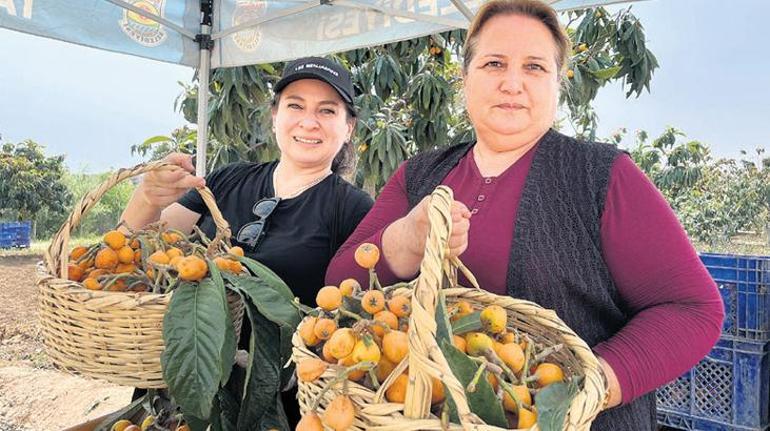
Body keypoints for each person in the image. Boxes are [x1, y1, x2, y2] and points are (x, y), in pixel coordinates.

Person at [325, 1, 724, 430]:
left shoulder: (601, 176)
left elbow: (692, 309)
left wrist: (585, 390)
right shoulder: (420, 175)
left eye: (534, 67)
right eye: (494, 63)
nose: (512, 83)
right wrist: (404, 241)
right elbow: (338, 287)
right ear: (465, 79)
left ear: (557, 84)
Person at [121, 56, 374, 427]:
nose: (308, 121)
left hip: (271, 401)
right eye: (295, 105)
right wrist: (147, 197)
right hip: (179, 376)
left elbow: (354, 315)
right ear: (275, 117)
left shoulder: (352, 209)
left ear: (348, 128)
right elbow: (136, 252)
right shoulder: (228, 179)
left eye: (327, 110)